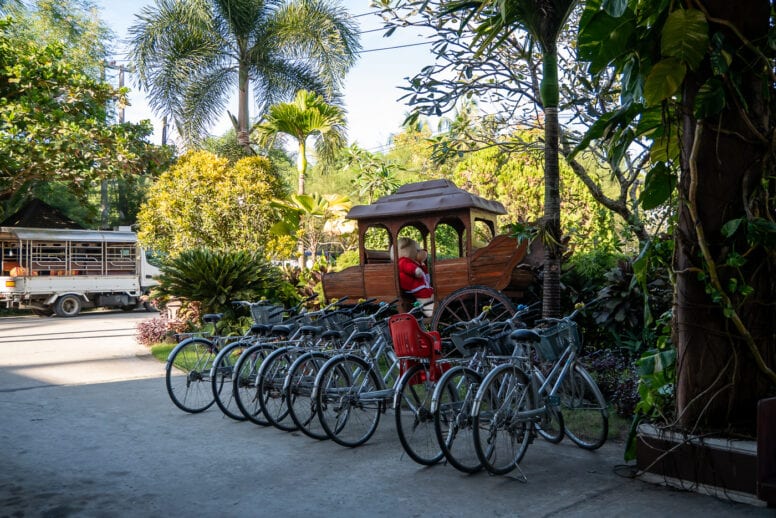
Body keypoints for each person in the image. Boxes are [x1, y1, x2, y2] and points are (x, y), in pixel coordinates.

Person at [396, 237, 434, 317]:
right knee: (424, 296)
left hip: (420, 285)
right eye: (417, 250)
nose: (418, 252)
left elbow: (424, 273)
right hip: (414, 287)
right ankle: (430, 312)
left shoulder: (412, 261)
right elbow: (409, 267)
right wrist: (416, 271)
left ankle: (435, 307)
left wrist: (422, 266)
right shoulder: (403, 260)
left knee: (430, 293)